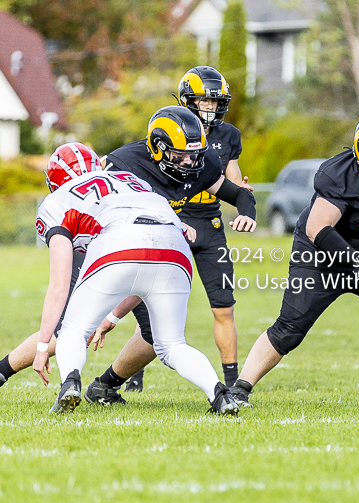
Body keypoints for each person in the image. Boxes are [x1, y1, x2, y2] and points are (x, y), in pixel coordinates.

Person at [229, 112, 359, 407]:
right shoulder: (338, 175)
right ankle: (239, 389)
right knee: (290, 329)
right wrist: (355, 262)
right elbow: (317, 227)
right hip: (320, 255)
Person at [31, 142, 239, 415]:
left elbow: (59, 287)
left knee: (73, 329)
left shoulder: (59, 199)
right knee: (173, 344)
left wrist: (43, 346)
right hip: (174, 248)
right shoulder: (130, 179)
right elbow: (167, 229)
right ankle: (219, 394)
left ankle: (70, 382)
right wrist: (114, 316)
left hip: (120, 243)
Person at [81, 105, 256, 405]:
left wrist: (248, 213)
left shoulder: (199, 163)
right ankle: (19, 370)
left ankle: (104, 387)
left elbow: (237, 192)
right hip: (116, 248)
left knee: (155, 335)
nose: (189, 162)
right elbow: (94, 208)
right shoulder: (125, 163)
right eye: (180, 155)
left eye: (194, 155)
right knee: (70, 326)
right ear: (158, 149)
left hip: (158, 250)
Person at [124, 66, 247, 391]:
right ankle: (133, 370)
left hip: (208, 223)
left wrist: (243, 197)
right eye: (204, 101)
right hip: (169, 223)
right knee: (148, 298)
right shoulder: (168, 130)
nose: (210, 108)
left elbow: (232, 181)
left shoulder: (228, 135)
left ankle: (233, 382)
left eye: (216, 102)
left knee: (224, 305)